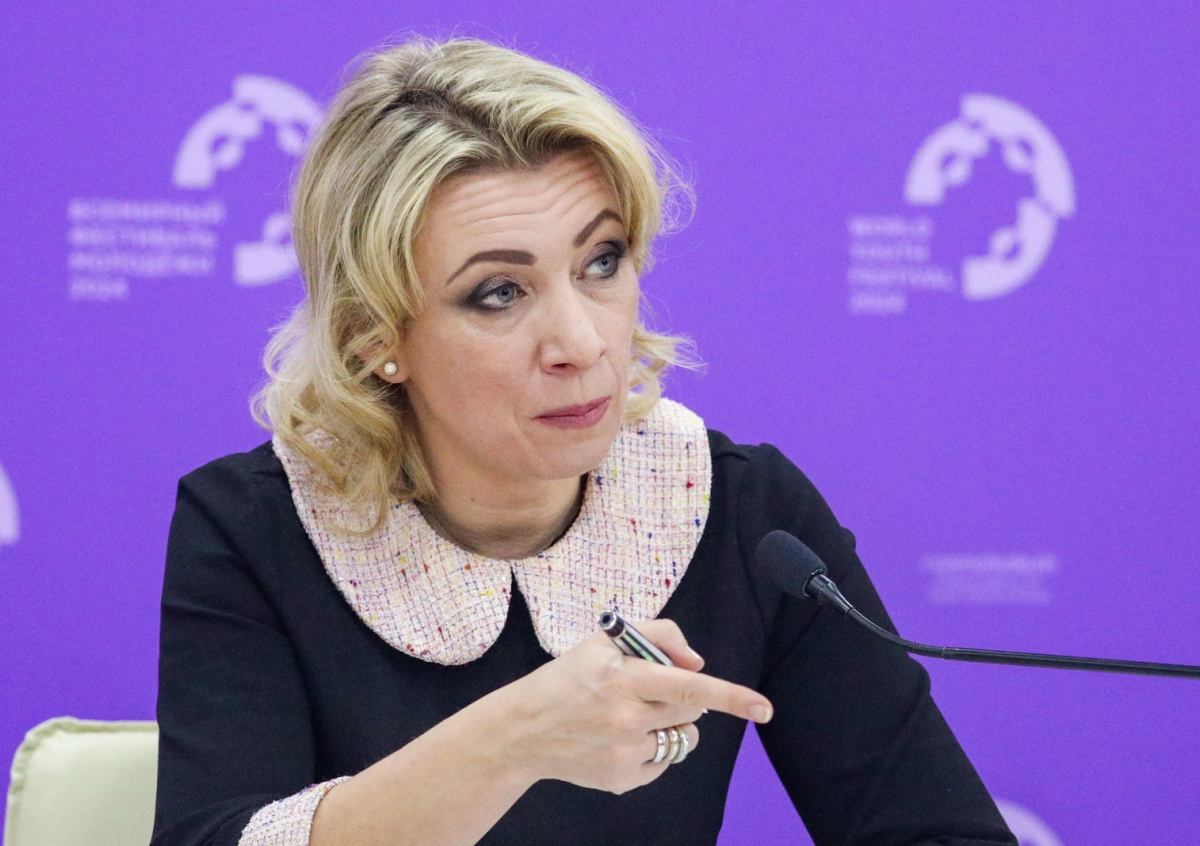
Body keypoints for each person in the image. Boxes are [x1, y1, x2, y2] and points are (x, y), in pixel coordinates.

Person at [152, 37, 1017, 846]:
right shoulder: (257, 526)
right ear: (372, 334)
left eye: (601, 262)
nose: (581, 342)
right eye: (498, 292)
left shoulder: (742, 511)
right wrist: (516, 739)